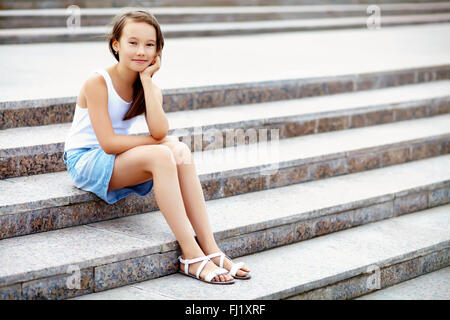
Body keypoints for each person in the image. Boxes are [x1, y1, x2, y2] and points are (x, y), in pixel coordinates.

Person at [62, 10, 250, 285]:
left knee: (181, 152)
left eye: (150, 45)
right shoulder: (97, 81)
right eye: (133, 42)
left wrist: (148, 82)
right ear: (116, 44)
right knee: (164, 153)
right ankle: (190, 253)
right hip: (85, 160)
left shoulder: (147, 85)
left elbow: (160, 130)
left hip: (115, 158)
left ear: (158, 50)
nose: (141, 51)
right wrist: (157, 142)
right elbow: (109, 142)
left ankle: (211, 248)